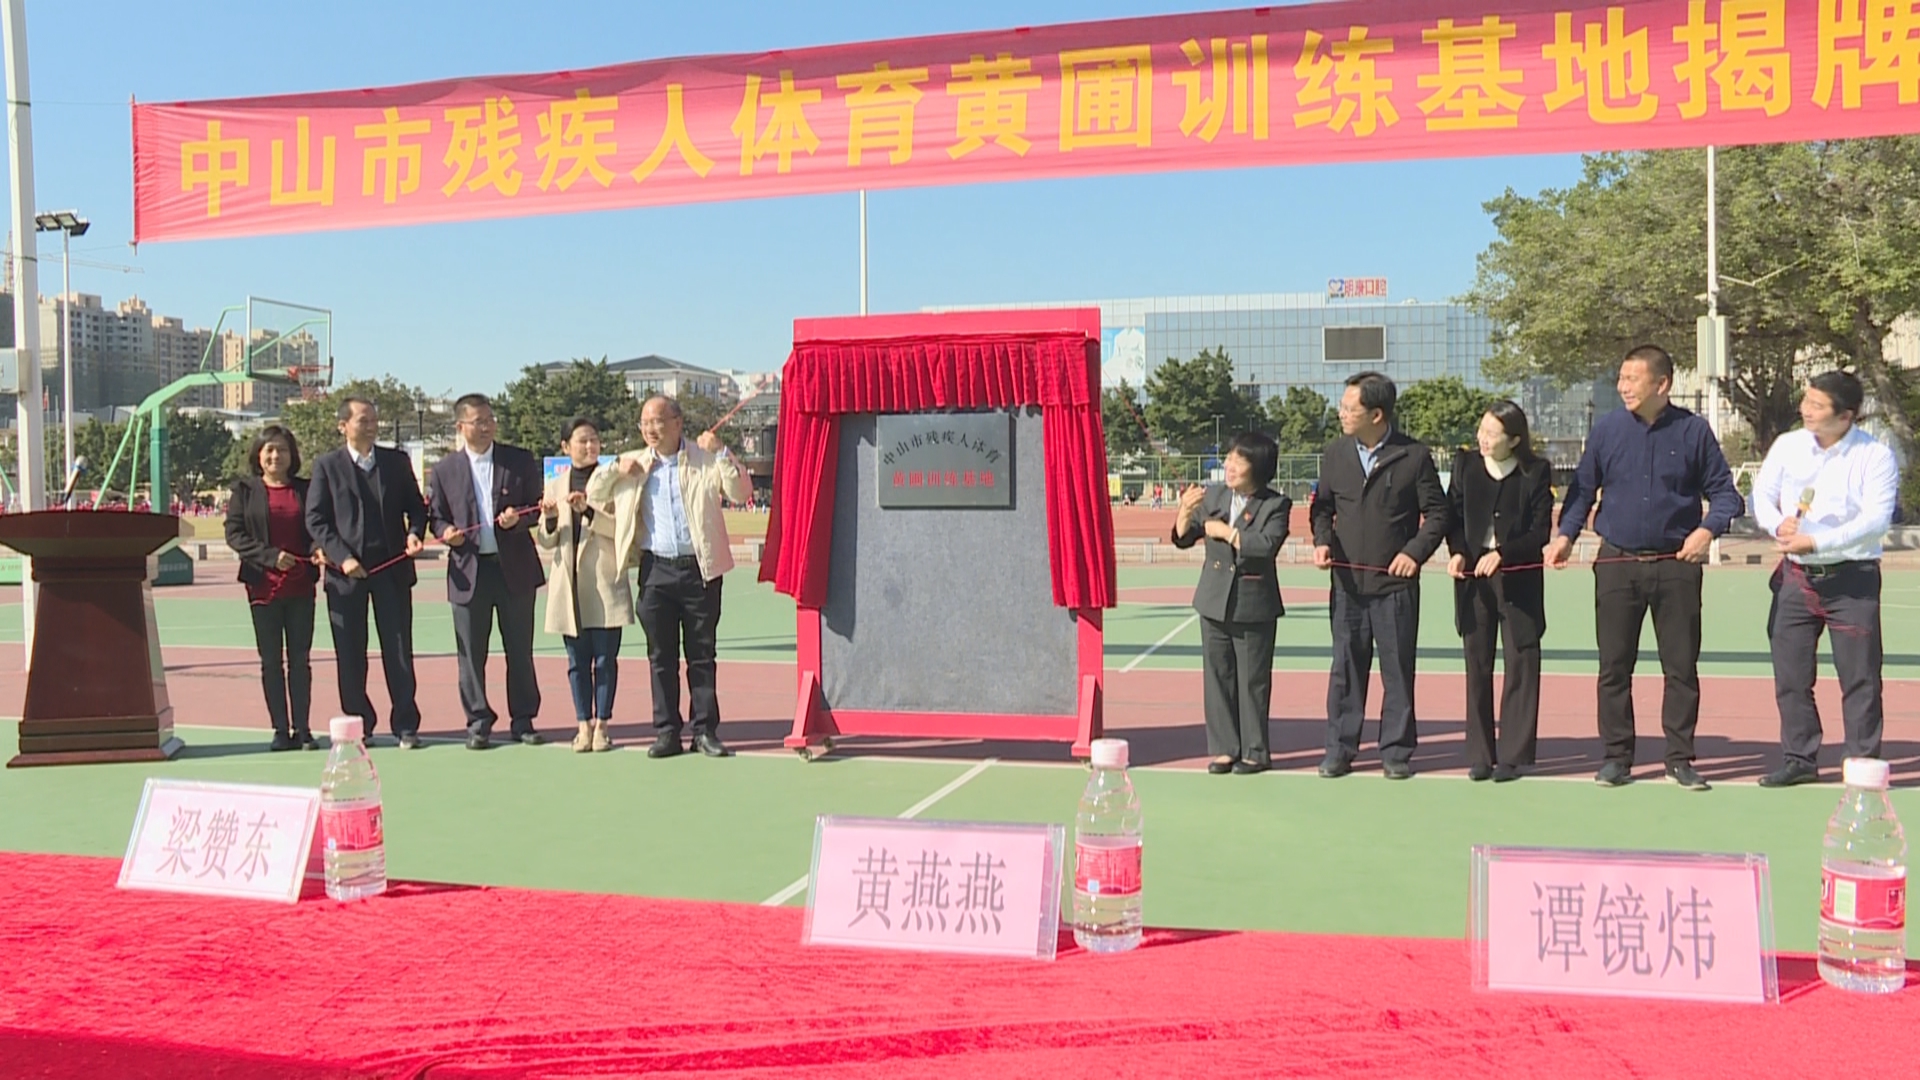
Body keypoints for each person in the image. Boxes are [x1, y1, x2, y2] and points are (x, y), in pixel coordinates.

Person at [1547, 345, 1744, 790]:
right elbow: (1581, 491)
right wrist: (1565, 537)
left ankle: (1679, 757)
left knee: (1680, 667)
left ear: (1662, 384)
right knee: (1614, 666)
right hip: (1617, 563)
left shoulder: (1694, 432)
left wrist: (1707, 529)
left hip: (1677, 566)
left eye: (1633, 378)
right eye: (1621, 377)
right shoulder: (1607, 431)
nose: (1623, 386)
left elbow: (1727, 495)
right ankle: (1617, 756)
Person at [1750, 371, 1899, 787]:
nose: (1806, 411)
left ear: (1846, 416)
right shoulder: (1789, 445)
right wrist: (1778, 525)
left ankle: (1861, 760)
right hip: (1796, 579)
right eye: (1806, 402)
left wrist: (1816, 543)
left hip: (1852, 579)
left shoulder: (1874, 456)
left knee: (1860, 676)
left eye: (1817, 406)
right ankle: (1799, 757)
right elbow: (1762, 494)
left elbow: (1874, 521)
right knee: (1791, 674)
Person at [593, 395, 751, 759]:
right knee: (660, 656)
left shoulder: (704, 457)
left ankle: (705, 730)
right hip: (656, 570)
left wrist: (723, 452)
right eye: (645, 423)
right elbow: (595, 493)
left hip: (700, 569)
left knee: (701, 654)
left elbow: (741, 493)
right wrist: (617, 468)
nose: (651, 429)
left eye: (659, 421)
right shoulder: (636, 463)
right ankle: (667, 731)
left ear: (678, 423)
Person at [1310, 371, 1449, 780]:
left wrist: (1415, 552)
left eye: (1349, 408)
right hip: (1348, 585)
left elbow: (1438, 514)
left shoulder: (1414, 456)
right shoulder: (1336, 454)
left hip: (1395, 588)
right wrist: (1323, 541)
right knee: (1346, 669)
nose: (1341, 413)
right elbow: (1322, 508)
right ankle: (1340, 749)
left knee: (1397, 670)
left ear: (1377, 413)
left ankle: (1396, 751)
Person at [305, 396, 429, 748]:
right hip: (346, 576)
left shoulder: (396, 461)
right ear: (343, 425)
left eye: (374, 419)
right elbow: (315, 519)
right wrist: (342, 557)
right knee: (350, 653)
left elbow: (417, 509)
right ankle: (360, 723)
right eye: (363, 419)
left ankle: (406, 724)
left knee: (399, 650)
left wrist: (414, 533)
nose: (371, 425)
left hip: (392, 570)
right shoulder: (327, 466)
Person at [429, 393, 547, 750]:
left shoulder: (518, 460)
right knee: (470, 653)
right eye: (478, 421)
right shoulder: (445, 469)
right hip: (469, 571)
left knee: (519, 649)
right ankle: (478, 721)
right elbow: (436, 516)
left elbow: (536, 508)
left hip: (514, 570)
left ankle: (523, 719)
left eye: (490, 419)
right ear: (460, 426)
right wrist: (444, 533)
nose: (486, 427)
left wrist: (518, 518)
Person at [1171, 432, 1292, 775]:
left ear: (1259, 466)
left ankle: (1255, 751)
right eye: (1229, 458)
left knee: (1252, 680)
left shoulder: (1275, 505)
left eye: (1239, 460)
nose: (1230, 465)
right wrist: (1184, 511)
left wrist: (1228, 533)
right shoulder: (1216, 496)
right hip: (1213, 600)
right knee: (1217, 676)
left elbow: (1265, 545)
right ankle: (1224, 749)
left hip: (1253, 604)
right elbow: (1185, 536)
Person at [1445, 402, 1554, 782]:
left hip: (1518, 580)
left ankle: (1513, 755)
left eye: (1492, 434)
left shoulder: (1536, 472)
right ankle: (1480, 754)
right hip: (1473, 579)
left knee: (1522, 662)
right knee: (1477, 665)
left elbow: (1539, 532)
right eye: (1482, 431)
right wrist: (1459, 552)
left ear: (1515, 439)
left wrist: (1503, 555)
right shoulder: (1466, 466)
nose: (1483, 439)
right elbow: (1452, 517)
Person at [535, 417, 635, 754]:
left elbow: (620, 530)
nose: (590, 446)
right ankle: (582, 725)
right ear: (565, 447)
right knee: (576, 662)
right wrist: (550, 518)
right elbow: (547, 541)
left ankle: (603, 726)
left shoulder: (612, 481)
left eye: (594, 440)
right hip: (569, 586)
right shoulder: (555, 485)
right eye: (582, 441)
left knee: (606, 660)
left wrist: (588, 511)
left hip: (604, 584)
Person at [224, 425, 323, 752]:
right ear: (258, 455)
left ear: (292, 455)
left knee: (300, 660)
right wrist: (270, 557)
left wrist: (316, 550)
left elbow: (318, 528)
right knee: (270, 662)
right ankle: (280, 729)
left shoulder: (306, 489)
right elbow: (235, 534)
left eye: (281, 450)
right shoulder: (244, 490)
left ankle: (304, 728)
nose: (275, 456)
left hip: (301, 587)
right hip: (262, 588)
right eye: (269, 450)